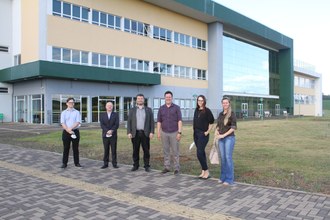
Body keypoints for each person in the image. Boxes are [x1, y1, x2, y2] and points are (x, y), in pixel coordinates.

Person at [127, 94, 155, 172]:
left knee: (146, 150)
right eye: (138, 98)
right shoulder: (132, 110)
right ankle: (135, 165)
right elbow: (129, 122)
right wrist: (129, 132)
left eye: (141, 98)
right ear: (136, 100)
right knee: (135, 150)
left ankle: (147, 166)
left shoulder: (148, 110)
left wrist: (152, 132)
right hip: (135, 133)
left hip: (145, 133)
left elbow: (152, 122)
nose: (140, 100)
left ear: (144, 100)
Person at [157, 91, 182, 175]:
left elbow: (179, 121)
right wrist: (158, 132)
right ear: (164, 98)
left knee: (175, 151)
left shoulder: (176, 108)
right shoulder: (161, 108)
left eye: (169, 97)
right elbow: (159, 121)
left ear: (172, 98)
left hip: (174, 132)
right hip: (164, 133)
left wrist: (179, 132)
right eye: (166, 97)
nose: (168, 98)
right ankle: (167, 167)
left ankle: (176, 168)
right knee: (166, 151)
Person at [215, 97, 237, 186]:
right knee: (223, 158)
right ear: (222, 104)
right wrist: (216, 131)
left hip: (229, 138)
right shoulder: (220, 114)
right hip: (221, 139)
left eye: (226, 103)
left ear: (229, 103)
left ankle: (229, 179)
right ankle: (223, 177)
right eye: (223, 103)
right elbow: (218, 125)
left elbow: (233, 127)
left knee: (228, 158)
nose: (225, 104)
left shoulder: (232, 114)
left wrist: (223, 135)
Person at [193, 95, 214, 179]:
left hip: (203, 134)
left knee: (199, 153)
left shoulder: (207, 111)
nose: (200, 102)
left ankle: (207, 171)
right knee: (202, 153)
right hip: (196, 134)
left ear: (204, 101)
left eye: (201, 100)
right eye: (198, 100)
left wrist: (207, 132)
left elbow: (212, 122)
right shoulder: (196, 110)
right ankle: (203, 171)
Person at [60, 97, 82, 168]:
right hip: (66, 132)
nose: (71, 104)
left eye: (72, 102)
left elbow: (78, 122)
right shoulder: (63, 113)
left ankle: (77, 163)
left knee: (75, 148)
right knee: (66, 148)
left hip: (75, 131)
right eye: (70, 102)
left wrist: (71, 129)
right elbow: (62, 122)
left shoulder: (77, 112)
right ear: (67, 103)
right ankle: (64, 163)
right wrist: (68, 130)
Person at [100, 102, 119, 169]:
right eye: (108, 106)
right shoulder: (102, 115)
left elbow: (116, 124)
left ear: (112, 107)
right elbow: (102, 125)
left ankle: (114, 164)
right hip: (105, 135)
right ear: (106, 107)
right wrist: (107, 131)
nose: (109, 107)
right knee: (106, 149)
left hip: (113, 135)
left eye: (111, 106)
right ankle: (105, 164)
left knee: (114, 150)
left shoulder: (116, 114)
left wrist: (111, 130)